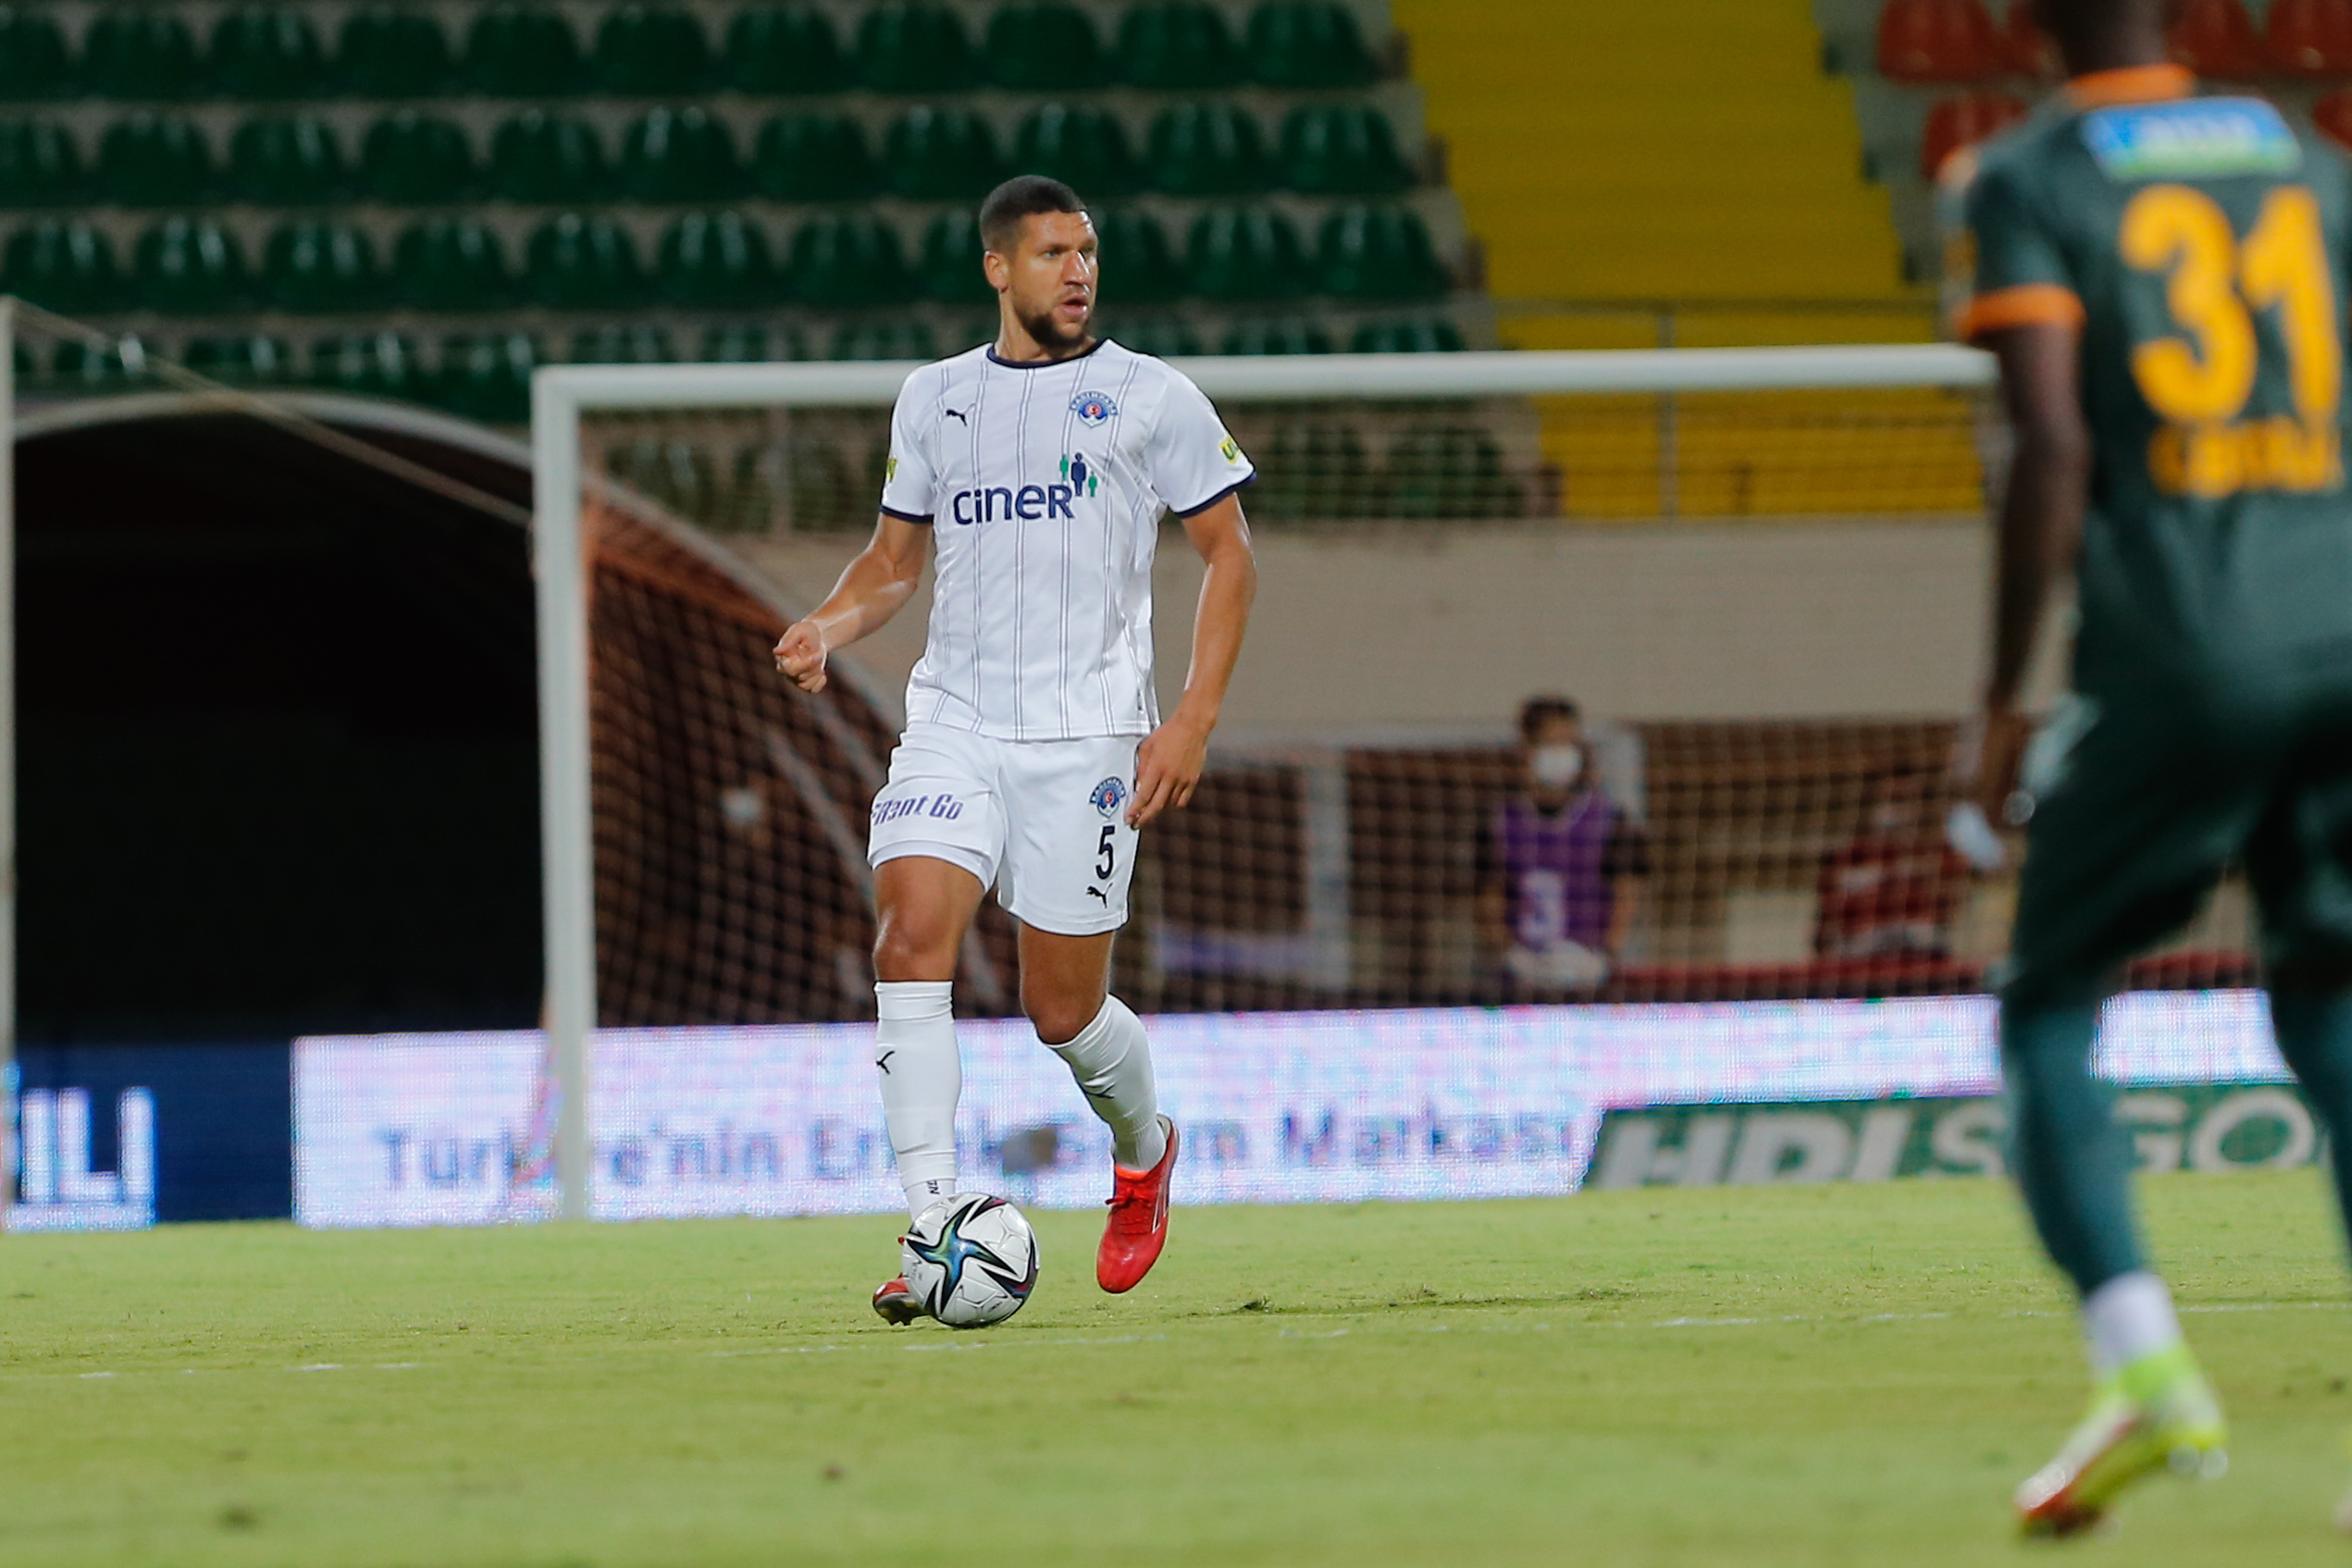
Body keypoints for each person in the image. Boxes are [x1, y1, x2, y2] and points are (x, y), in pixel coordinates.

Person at [1950, 0, 2352, 1534]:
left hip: (2185, 641)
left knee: (2049, 998)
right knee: (2328, 992)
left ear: (2024, 19)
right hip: (2337, 618)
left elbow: (2051, 445)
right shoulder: (2302, 156)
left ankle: (2141, 1368)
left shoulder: (2028, 174)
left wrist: (2003, 700)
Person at [774, 175, 1257, 1322]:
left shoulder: (1150, 396)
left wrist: (1191, 718)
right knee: (908, 941)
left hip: (1089, 737)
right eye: (1052, 253)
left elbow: (1230, 553)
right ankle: (933, 1223)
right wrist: (827, 626)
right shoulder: (935, 397)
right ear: (998, 268)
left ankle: (1143, 1150)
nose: (1078, 271)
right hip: (955, 723)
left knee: (1061, 1013)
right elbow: (893, 564)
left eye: (1086, 251)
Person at [1475, 696, 1648, 991]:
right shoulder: (1501, 823)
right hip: (1523, 978)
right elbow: (1487, 898)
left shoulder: (1609, 820)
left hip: (1590, 973)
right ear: (1527, 749)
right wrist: (1512, 956)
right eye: (1551, 743)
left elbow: (1628, 893)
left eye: (1568, 743)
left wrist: (1605, 956)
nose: (1561, 754)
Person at [1814, 763, 1969, 963]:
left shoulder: (1939, 851)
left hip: (1920, 953)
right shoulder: (1851, 855)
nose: (1897, 809)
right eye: (1892, 799)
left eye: (1905, 800)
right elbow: (1825, 924)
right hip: (1861, 953)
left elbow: (1951, 907)